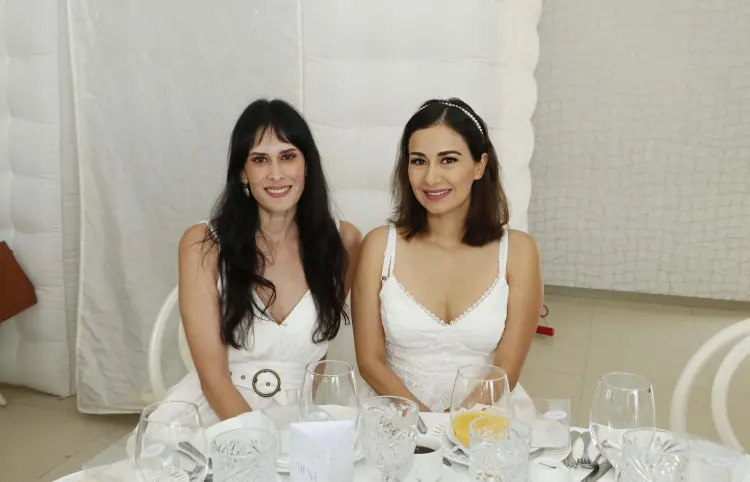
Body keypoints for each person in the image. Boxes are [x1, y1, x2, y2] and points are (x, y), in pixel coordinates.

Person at [163, 99, 362, 427]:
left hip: (296, 420)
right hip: (216, 416)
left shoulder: (344, 242)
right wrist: (263, 442)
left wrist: (299, 430)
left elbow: (317, 358)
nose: (276, 174)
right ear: (243, 172)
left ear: (307, 165)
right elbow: (212, 379)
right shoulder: (202, 244)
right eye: (259, 160)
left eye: (288, 156)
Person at [352, 98, 542, 412]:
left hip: (484, 416)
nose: (430, 178)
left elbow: (506, 369)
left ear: (480, 165)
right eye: (418, 161)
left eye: (448, 160)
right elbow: (370, 363)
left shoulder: (519, 252)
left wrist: (456, 425)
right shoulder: (378, 246)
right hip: (397, 415)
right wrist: (425, 423)